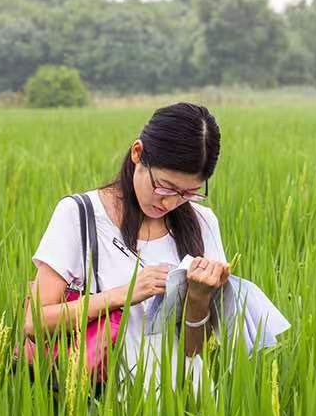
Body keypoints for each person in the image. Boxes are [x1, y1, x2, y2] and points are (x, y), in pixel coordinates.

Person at [25, 102, 233, 387]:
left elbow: (196, 351)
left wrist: (198, 297)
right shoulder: (80, 214)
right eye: (164, 186)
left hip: (184, 406)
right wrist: (127, 293)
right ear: (138, 153)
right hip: (102, 406)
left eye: (189, 193)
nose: (171, 202)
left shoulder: (203, 223)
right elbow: (34, 323)